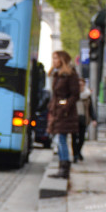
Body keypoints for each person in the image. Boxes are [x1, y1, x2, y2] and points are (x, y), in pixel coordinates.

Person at [47, 50, 79, 179]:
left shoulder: (70, 75)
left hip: (65, 114)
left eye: (56, 58)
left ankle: (64, 169)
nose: (54, 61)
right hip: (57, 112)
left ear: (62, 60)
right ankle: (62, 167)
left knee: (61, 140)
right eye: (53, 58)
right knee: (59, 140)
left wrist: (64, 108)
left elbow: (75, 95)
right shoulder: (57, 75)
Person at [73, 76, 93, 163]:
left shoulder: (87, 95)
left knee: (81, 138)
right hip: (74, 119)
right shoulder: (73, 94)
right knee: (74, 138)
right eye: (79, 84)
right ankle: (75, 155)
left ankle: (78, 151)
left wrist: (94, 119)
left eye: (82, 84)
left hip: (83, 118)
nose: (80, 86)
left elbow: (91, 108)